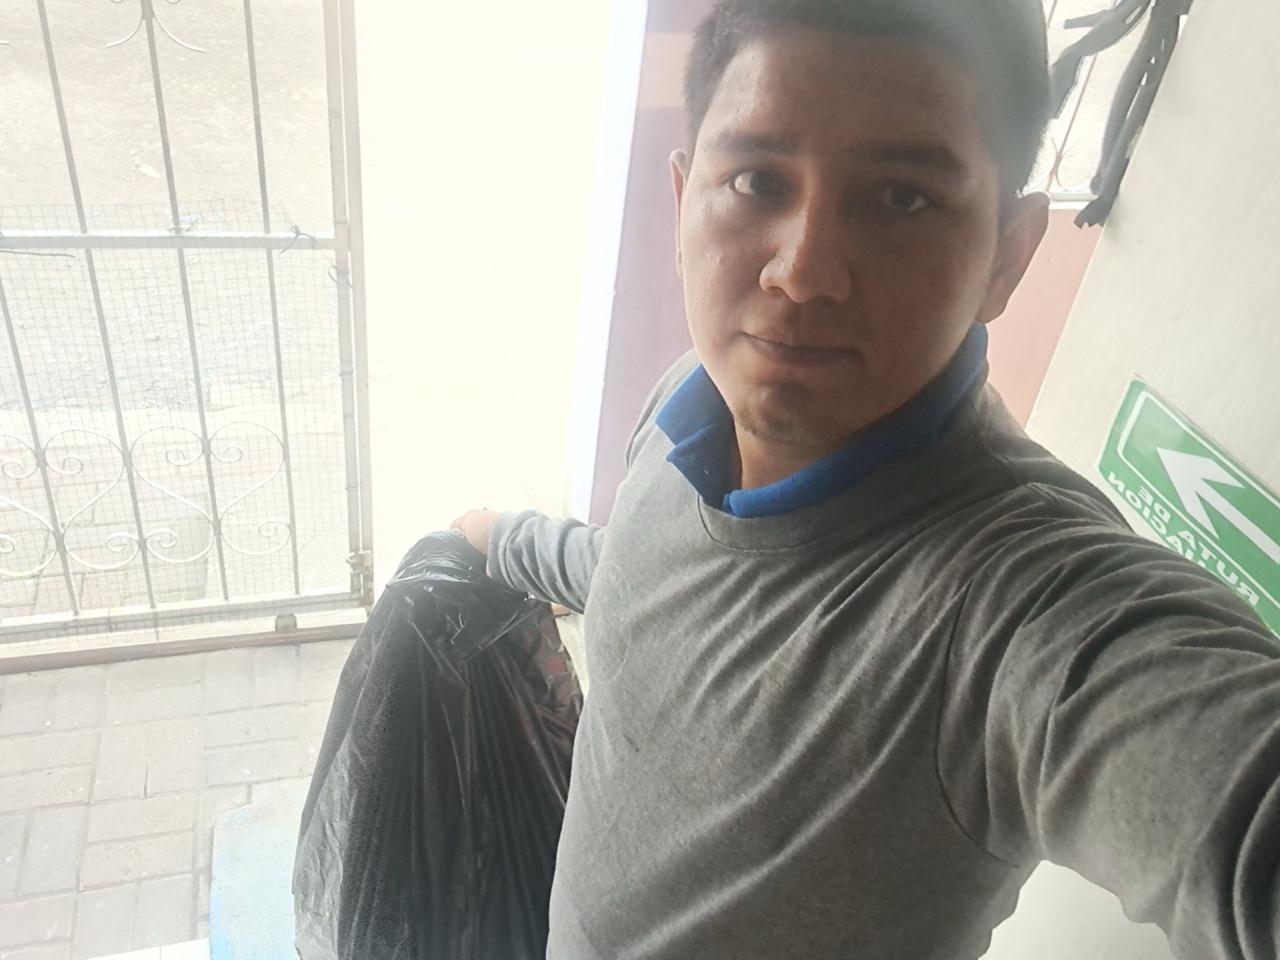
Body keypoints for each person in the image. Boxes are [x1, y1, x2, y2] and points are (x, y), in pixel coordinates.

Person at [456, 1, 1280, 957]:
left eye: (900, 199)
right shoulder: (691, 395)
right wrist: (501, 539)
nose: (803, 271)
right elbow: (640, 577)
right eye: (758, 180)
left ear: (1007, 258)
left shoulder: (1018, 607)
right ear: (683, 205)